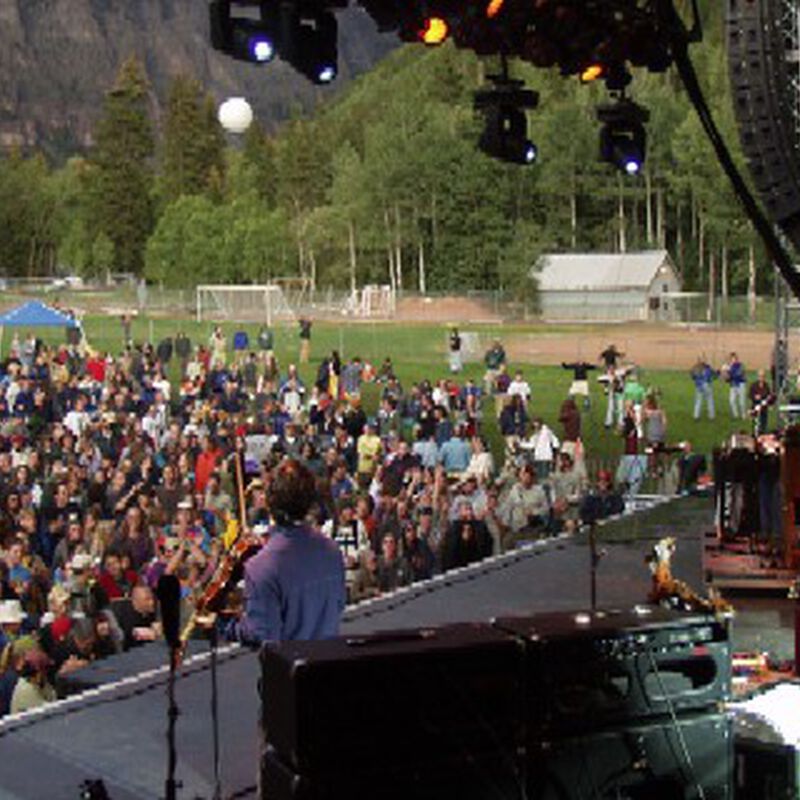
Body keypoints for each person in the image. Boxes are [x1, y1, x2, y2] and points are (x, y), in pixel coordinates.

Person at [225, 459, 346, 645]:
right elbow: (337, 606)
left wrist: (229, 626)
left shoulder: (260, 567)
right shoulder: (332, 551)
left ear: (269, 502)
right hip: (327, 667)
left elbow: (261, 633)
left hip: (289, 671)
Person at [690, 356, 717, 420]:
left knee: (698, 401)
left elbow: (692, 376)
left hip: (698, 386)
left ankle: (696, 416)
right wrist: (718, 372)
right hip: (706, 385)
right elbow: (714, 376)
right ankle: (711, 416)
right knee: (710, 400)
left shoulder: (695, 367)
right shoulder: (708, 368)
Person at [749, 369, 774, 435]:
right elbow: (750, 395)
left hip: (764, 407)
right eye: (760, 376)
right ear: (758, 377)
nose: (761, 378)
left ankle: (763, 432)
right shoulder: (754, 385)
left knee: (764, 421)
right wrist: (755, 396)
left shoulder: (766, 385)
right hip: (756, 406)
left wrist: (769, 398)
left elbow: (769, 395)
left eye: (763, 376)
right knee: (756, 423)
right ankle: (755, 433)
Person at [725, 352, 747, 419]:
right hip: (733, 386)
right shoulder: (730, 367)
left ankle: (743, 415)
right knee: (731, 401)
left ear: (736, 359)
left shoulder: (740, 365)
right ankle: (735, 415)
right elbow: (728, 379)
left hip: (741, 385)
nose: (732, 360)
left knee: (741, 402)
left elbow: (739, 374)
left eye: (733, 358)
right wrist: (724, 375)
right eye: (731, 359)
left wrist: (729, 371)